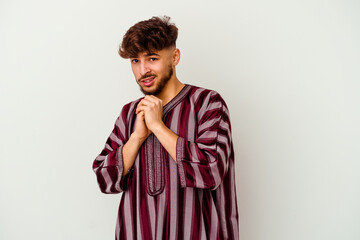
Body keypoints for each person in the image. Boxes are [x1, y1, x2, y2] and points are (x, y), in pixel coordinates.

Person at [92, 16, 239, 240]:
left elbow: (211, 171)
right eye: (135, 61)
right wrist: (137, 138)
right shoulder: (129, 114)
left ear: (175, 57)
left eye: (152, 58)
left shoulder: (208, 103)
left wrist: (158, 127)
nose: (143, 70)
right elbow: (104, 178)